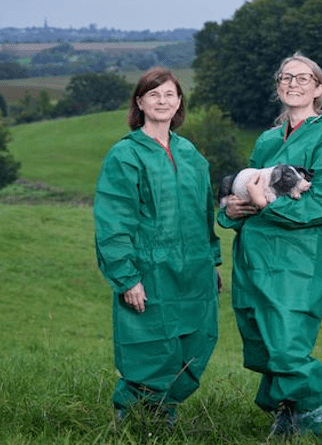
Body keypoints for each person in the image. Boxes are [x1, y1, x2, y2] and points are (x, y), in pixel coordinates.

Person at [218, 53, 322, 442]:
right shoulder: (267, 139)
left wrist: (269, 206)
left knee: (287, 345)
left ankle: (316, 423)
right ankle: (288, 416)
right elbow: (243, 191)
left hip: (298, 257)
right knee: (262, 343)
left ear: (319, 87)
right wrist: (231, 208)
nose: (293, 83)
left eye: (303, 77)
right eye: (285, 77)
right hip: (253, 256)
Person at [93, 68, 222, 427]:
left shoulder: (191, 154)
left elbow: (203, 213)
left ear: (179, 101)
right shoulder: (125, 155)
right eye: (154, 95)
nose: (162, 101)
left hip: (194, 271)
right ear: (140, 103)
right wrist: (126, 277)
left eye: (169, 95)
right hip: (149, 273)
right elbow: (114, 223)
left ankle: (162, 412)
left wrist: (212, 262)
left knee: (192, 346)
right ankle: (134, 420)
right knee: (151, 349)